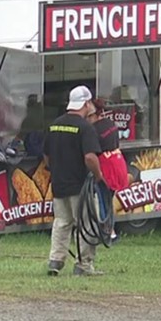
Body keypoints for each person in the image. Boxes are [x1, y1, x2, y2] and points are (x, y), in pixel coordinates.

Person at [43, 85, 104, 276]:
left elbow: (46, 156)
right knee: (86, 224)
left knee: (61, 222)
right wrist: (98, 175)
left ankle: (56, 261)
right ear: (86, 104)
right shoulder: (85, 128)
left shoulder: (54, 125)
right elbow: (90, 157)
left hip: (59, 184)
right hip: (80, 186)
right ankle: (84, 265)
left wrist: (55, 170)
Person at [87, 98, 122, 243]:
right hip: (117, 164)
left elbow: (92, 152)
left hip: (103, 167)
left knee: (102, 199)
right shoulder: (111, 125)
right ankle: (110, 231)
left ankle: (107, 232)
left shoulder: (93, 130)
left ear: (94, 114)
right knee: (108, 199)